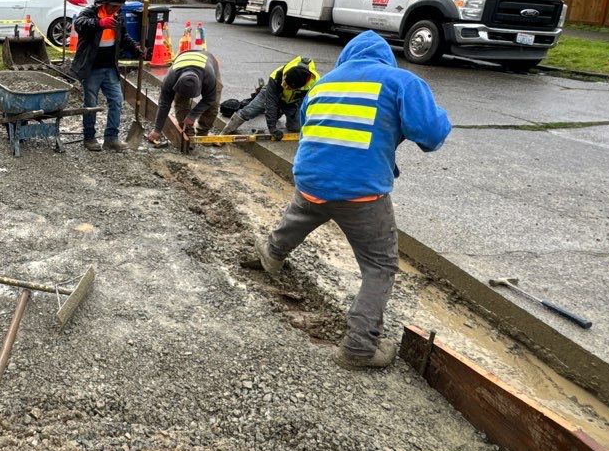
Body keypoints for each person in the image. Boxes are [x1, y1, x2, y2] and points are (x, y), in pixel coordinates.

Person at [257, 31, 451, 370]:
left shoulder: (322, 85)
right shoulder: (399, 81)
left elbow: (311, 127)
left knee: (301, 215)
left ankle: (271, 255)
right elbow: (432, 135)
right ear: (384, 58)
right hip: (361, 193)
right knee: (379, 266)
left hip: (311, 179)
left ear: (348, 57)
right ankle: (360, 347)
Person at [70, 0, 141, 152]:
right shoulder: (90, 12)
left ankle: (111, 138)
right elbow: (80, 24)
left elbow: (123, 37)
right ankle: (89, 137)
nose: (116, 10)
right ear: (105, 2)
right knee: (91, 104)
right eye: (113, 6)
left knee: (117, 101)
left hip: (110, 67)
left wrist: (136, 49)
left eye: (119, 7)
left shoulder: (118, 17)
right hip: (91, 67)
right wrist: (100, 23)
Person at [221, 56, 319, 137]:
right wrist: (273, 129)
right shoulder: (277, 75)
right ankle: (225, 131)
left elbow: (312, 106)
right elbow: (270, 104)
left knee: (296, 128)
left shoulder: (315, 83)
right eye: (284, 83)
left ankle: (279, 111)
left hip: (293, 102)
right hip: (271, 94)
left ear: (299, 86)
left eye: (288, 87)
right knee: (249, 111)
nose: (284, 86)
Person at [145, 48, 220, 146]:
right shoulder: (170, 79)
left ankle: (203, 133)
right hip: (182, 63)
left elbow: (209, 99)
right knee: (181, 102)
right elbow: (164, 104)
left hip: (208, 61)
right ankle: (188, 135)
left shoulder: (209, 77)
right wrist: (157, 130)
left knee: (213, 104)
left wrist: (193, 115)